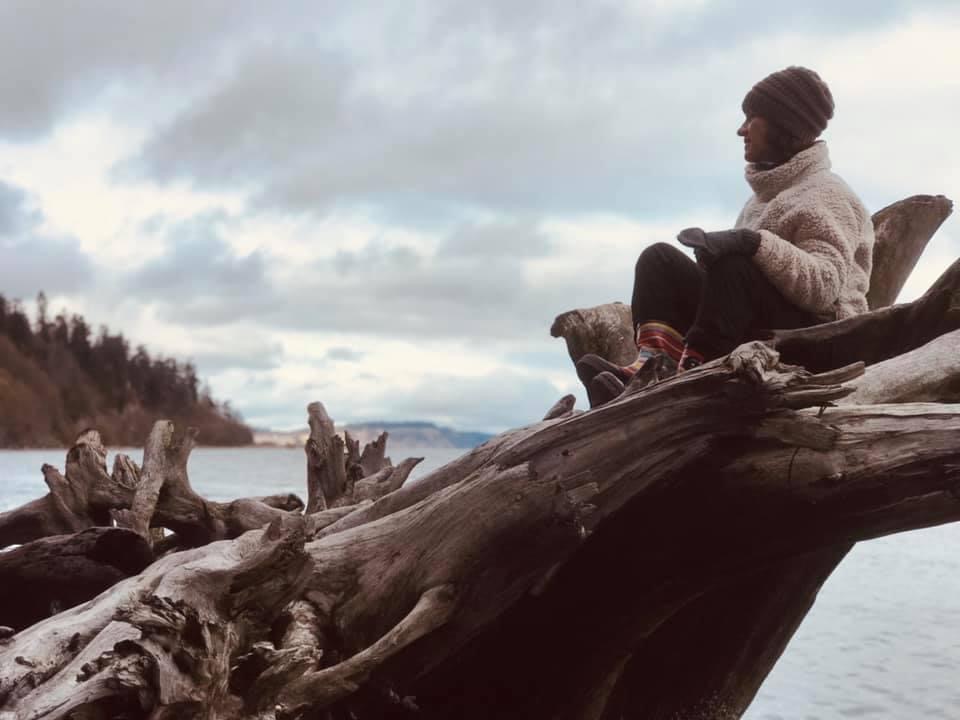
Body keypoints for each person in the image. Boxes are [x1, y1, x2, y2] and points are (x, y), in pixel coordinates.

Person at [578, 66, 875, 408]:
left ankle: (691, 381)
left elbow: (824, 288)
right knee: (659, 259)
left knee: (735, 264)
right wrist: (714, 258)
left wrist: (751, 244)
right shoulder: (763, 198)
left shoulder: (828, 194)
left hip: (816, 344)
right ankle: (652, 368)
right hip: (756, 335)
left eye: (751, 119)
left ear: (783, 125)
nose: (741, 130)